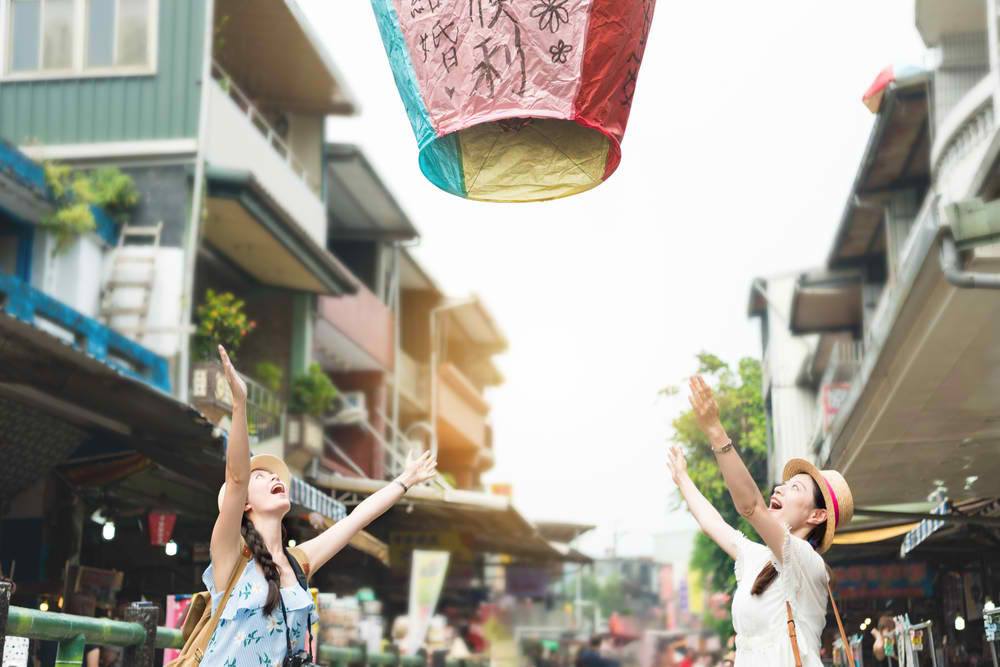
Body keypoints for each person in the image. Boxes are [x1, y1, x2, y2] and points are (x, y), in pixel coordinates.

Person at [199, 345, 438, 666]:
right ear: (243, 505)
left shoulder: (298, 563)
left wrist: (404, 481)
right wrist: (240, 404)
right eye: (261, 477)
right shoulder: (230, 555)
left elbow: (355, 520)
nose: (272, 477)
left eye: (274, 474)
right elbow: (237, 477)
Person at [667, 376, 855, 667]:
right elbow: (712, 523)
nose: (779, 488)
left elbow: (751, 506)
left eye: (796, 488)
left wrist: (715, 430)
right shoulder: (757, 558)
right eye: (784, 484)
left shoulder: (809, 563)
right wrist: (682, 478)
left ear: (817, 515)